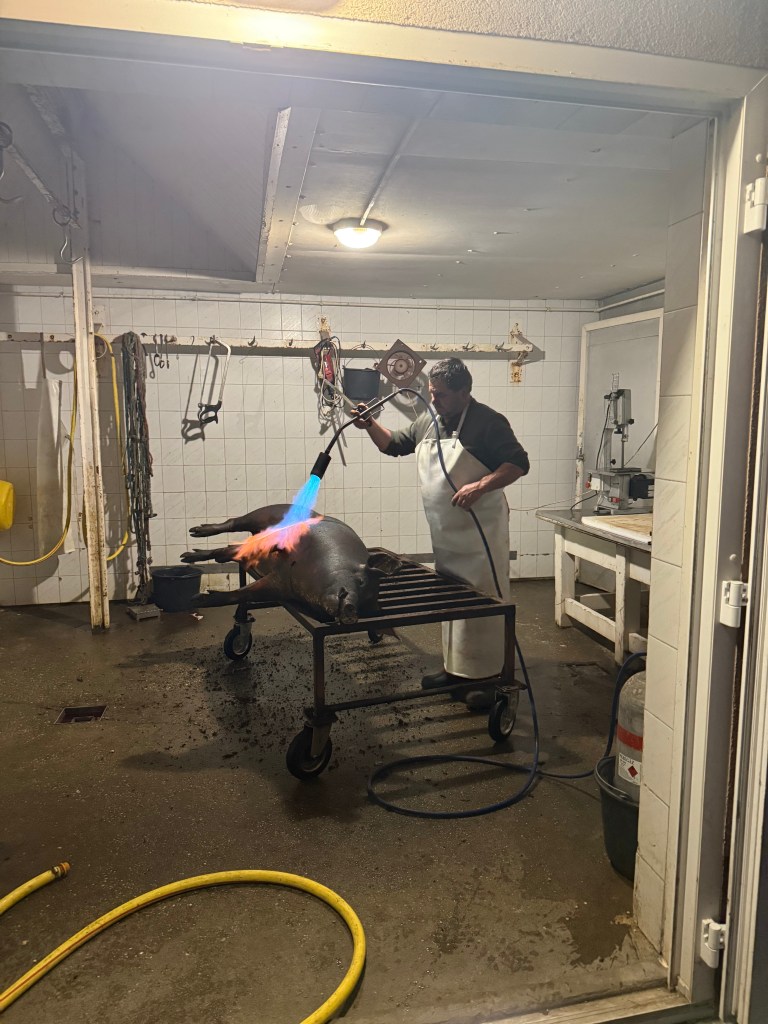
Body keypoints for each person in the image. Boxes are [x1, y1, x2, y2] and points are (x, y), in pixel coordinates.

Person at [354, 357, 529, 709]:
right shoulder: (429, 419)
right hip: (447, 535)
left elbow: (518, 463)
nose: (434, 400)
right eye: (432, 393)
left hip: (481, 536)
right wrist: (369, 423)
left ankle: (488, 677)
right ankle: (455, 670)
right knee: (451, 602)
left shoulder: (488, 422)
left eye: (442, 395)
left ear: (465, 392)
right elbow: (394, 444)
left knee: (482, 603)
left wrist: (480, 485)